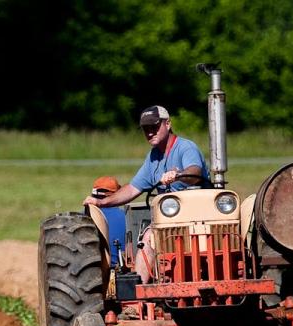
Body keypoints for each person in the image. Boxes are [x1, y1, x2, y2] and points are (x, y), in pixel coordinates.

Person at [84, 105, 209, 282]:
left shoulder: (185, 148)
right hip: (169, 221)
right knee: (148, 238)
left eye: (154, 127)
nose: (150, 132)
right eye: (146, 129)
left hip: (199, 217)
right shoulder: (153, 157)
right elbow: (132, 189)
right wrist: (101, 203)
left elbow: (195, 173)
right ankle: (138, 297)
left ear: (168, 123)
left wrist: (178, 175)